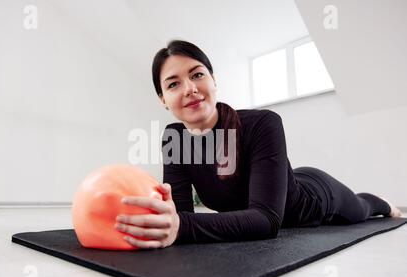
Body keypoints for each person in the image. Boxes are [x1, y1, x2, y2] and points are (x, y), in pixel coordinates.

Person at [115, 40, 402, 249]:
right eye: (173, 84)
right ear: (163, 99)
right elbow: (179, 214)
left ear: (214, 80)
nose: (189, 88)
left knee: (363, 209)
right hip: (280, 184)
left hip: (317, 198)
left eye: (197, 74)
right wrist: (166, 222)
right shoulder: (173, 137)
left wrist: (181, 227)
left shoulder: (263, 123)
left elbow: (266, 220)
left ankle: (384, 202)